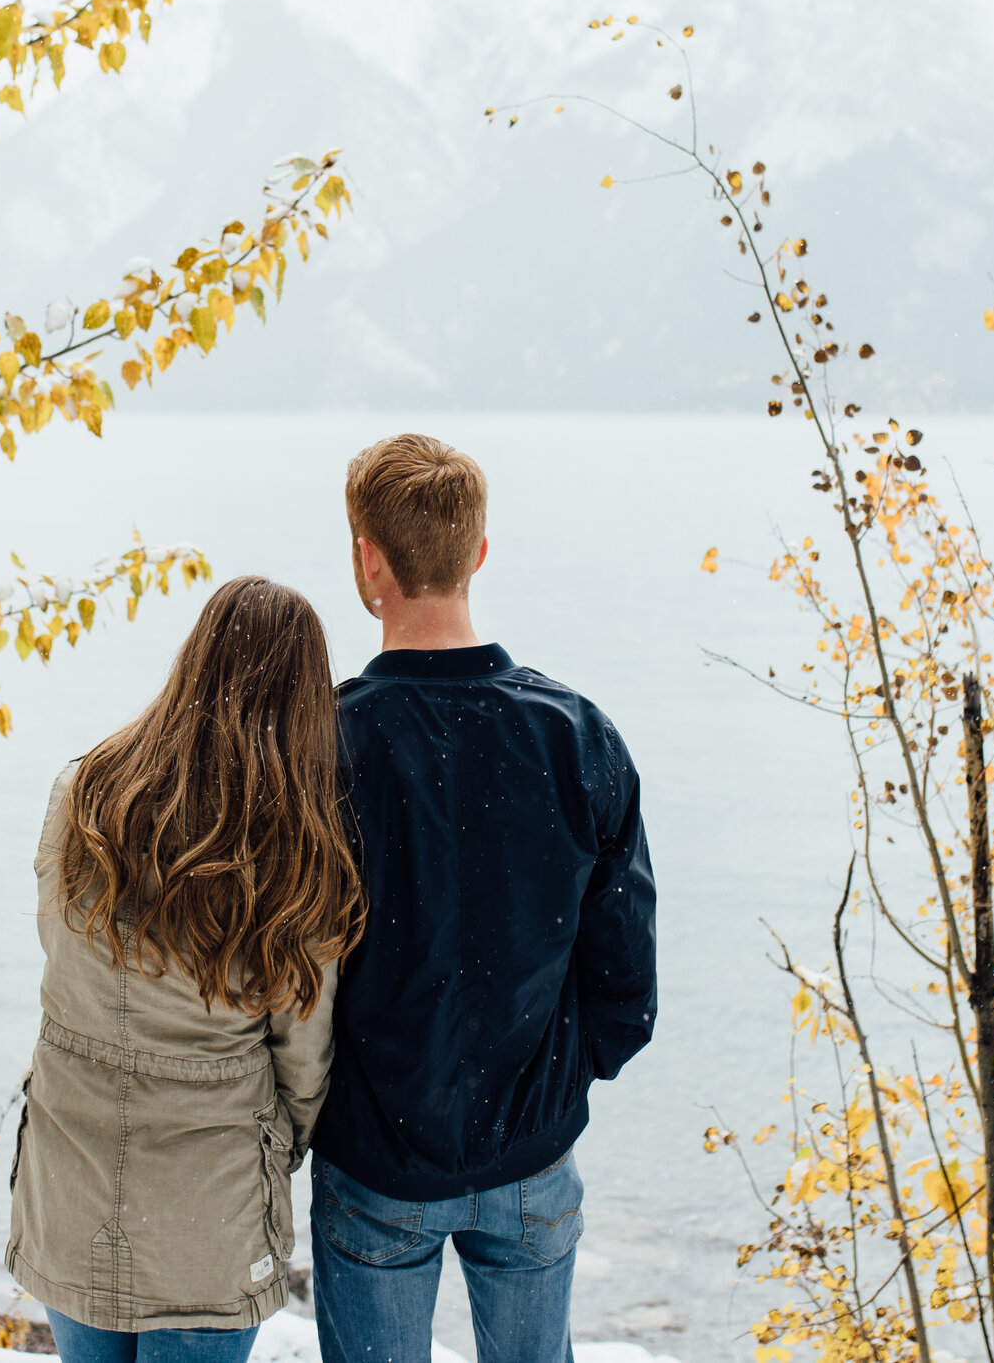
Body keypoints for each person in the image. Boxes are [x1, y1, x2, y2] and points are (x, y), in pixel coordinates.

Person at [311, 433, 657, 1363]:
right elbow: (627, 987)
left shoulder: (323, 744)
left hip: (377, 1155)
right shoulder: (578, 735)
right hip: (532, 1155)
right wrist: (553, 1082)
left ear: (366, 560)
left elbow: (287, 965)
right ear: (479, 553)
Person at [6, 576, 363, 1363]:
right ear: (303, 699)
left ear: (194, 662)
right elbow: (303, 1053)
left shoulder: (85, 792)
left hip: (72, 1162)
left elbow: (56, 948)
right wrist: (282, 1141)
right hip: (211, 1193)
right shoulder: (299, 848)